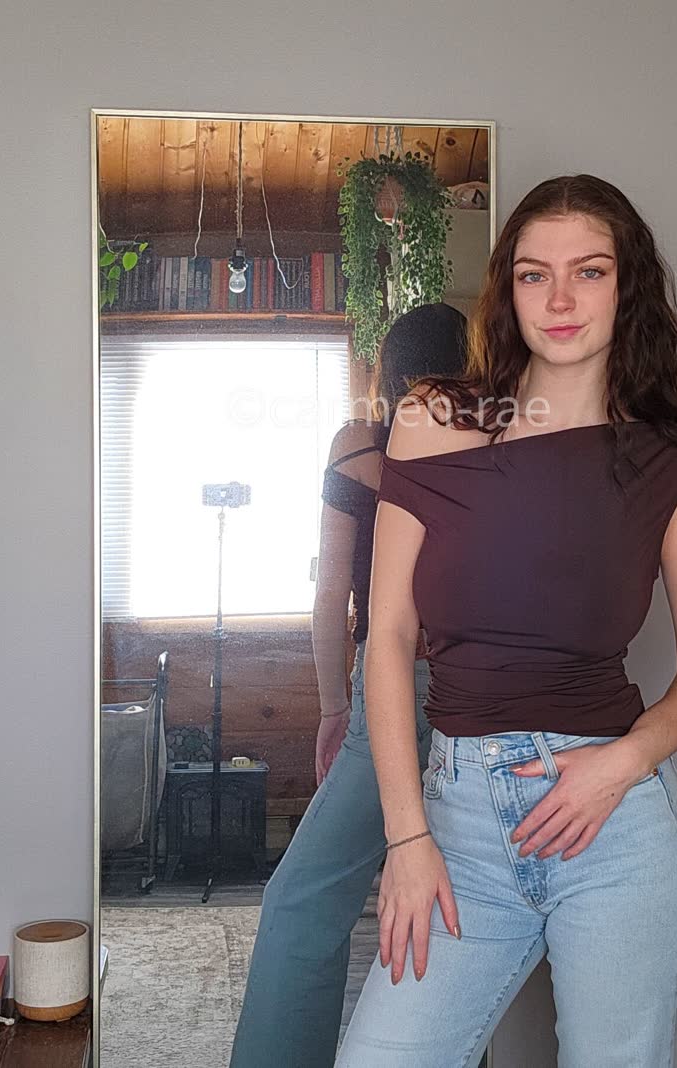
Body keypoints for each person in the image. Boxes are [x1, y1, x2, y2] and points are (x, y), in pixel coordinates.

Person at [333, 174, 677, 1068]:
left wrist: (623, 763)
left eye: (589, 272)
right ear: (507, 291)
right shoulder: (432, 421)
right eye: (533, 274)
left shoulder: (674, 461)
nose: (558, 300)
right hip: (457, 823)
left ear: (626, 287)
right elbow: (387, 636)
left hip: (616, 824)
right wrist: (406, 835)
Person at [229, 303, 471, 1068]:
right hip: (481, 696)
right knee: (463, 900)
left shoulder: (359, 447)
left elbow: (331, 594)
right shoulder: (495, 444)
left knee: (302, 901)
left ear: (387, 376)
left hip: (391, 695)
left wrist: (334, 706)